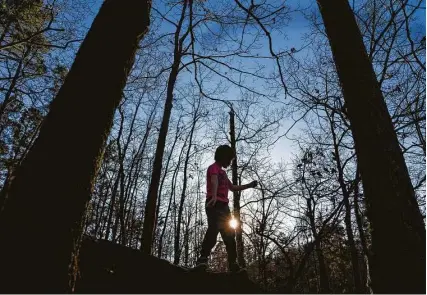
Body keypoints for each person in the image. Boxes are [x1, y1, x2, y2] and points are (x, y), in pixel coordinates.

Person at [195, 145, 257, 272]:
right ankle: (203, 259)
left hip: (224, 206)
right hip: (213, 204)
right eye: (229, 160)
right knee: (213, 229)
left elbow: (233, 188)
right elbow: (214, 181)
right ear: (223, 157)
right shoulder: (213, 168)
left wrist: (249, 185)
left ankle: (233, 264)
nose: (229, 163)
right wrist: (213, 196)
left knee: (229, 234)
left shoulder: (223, 173)